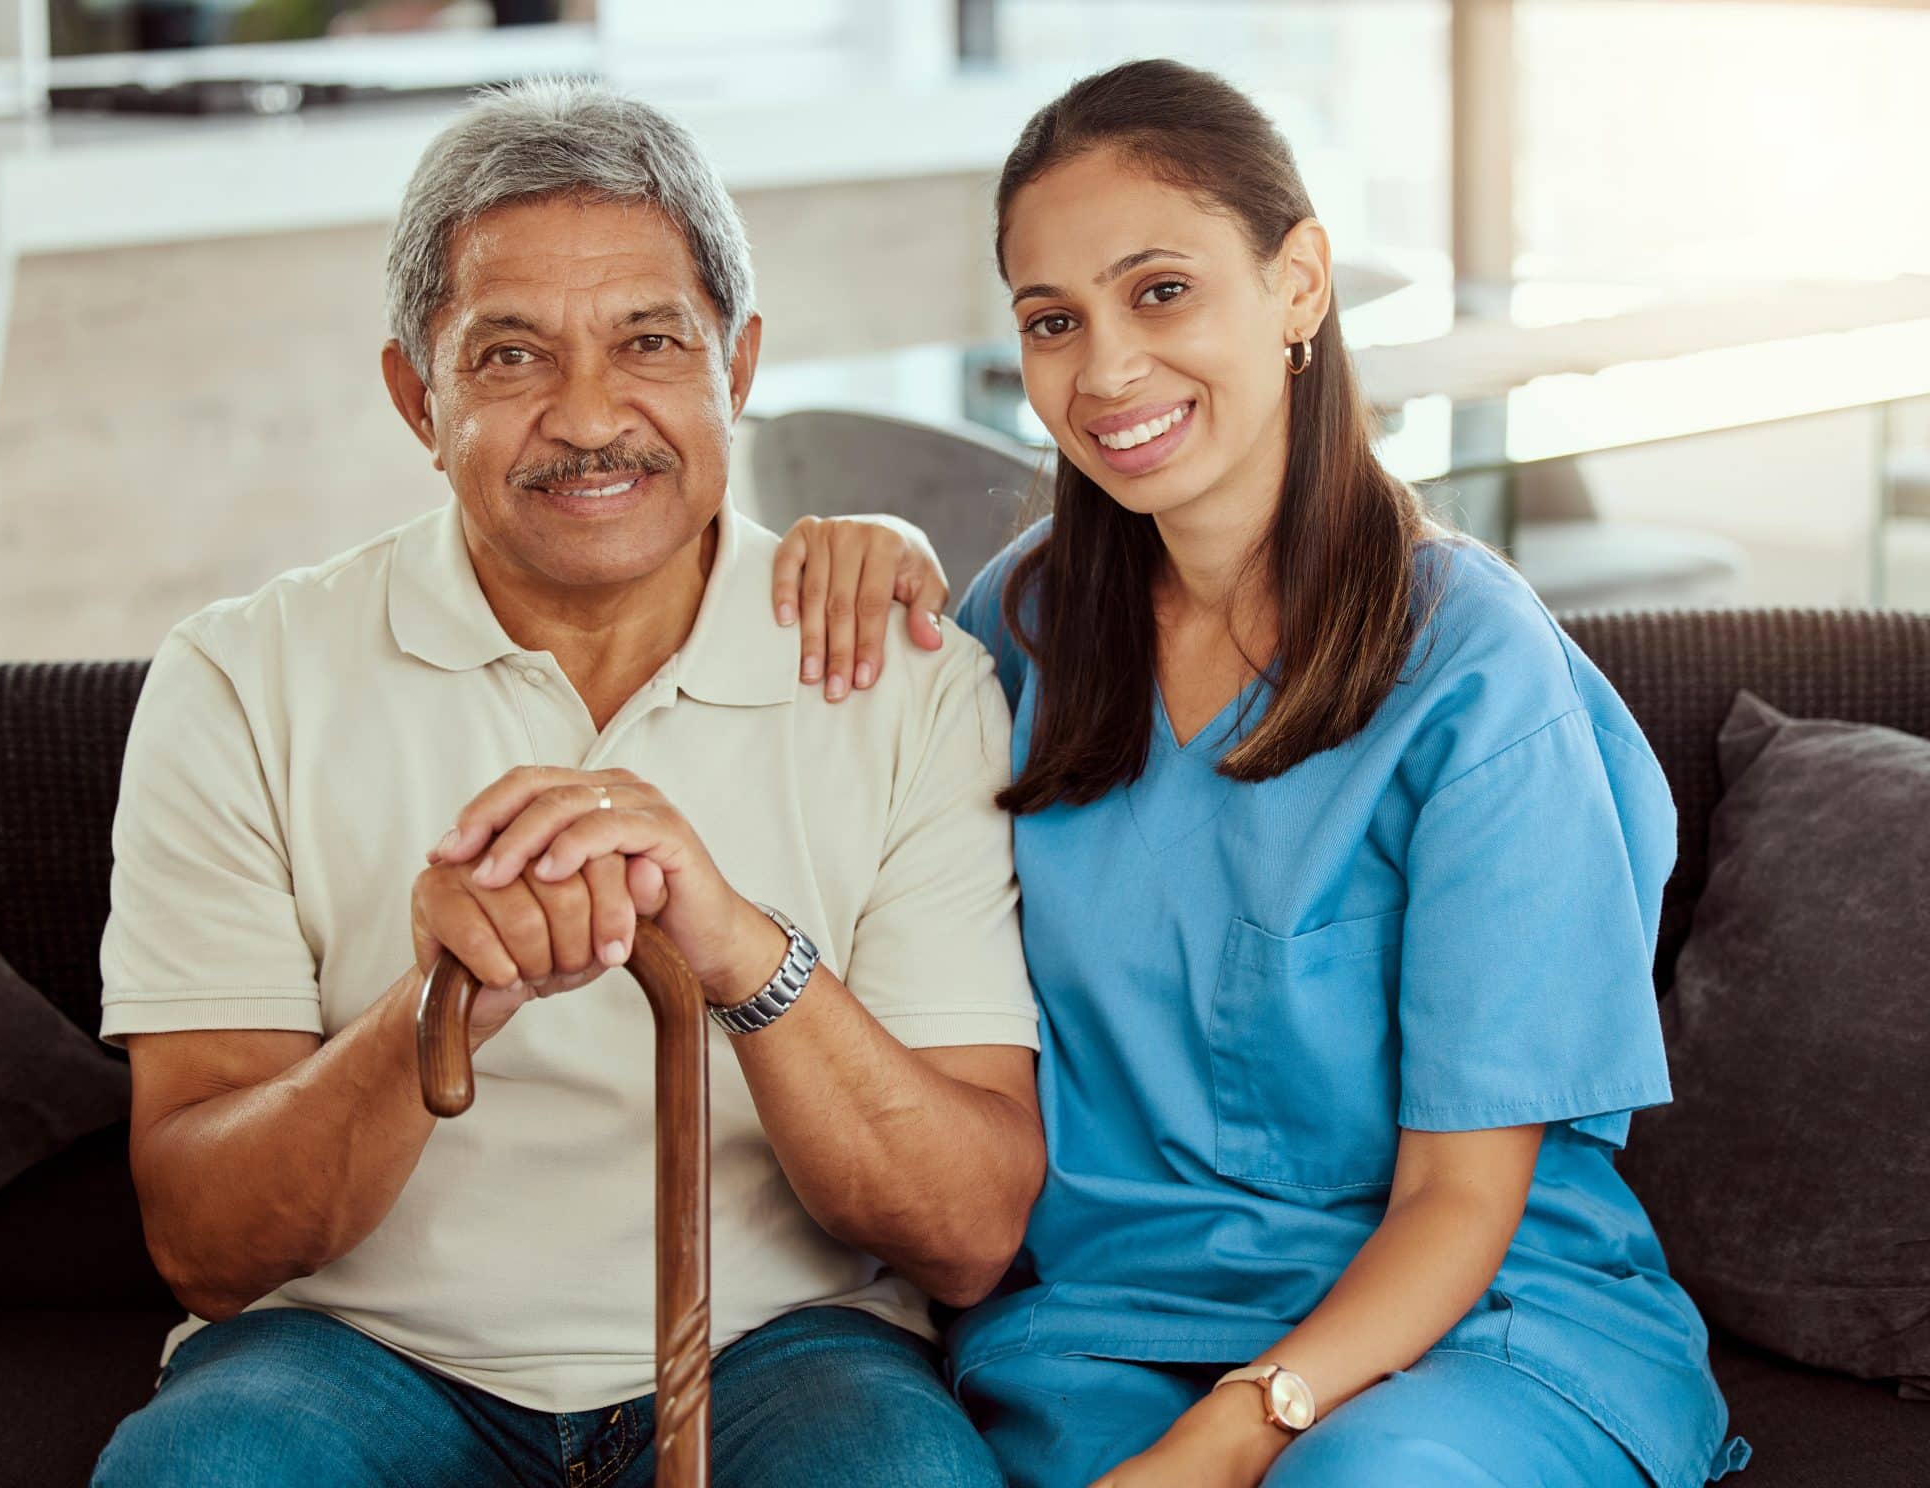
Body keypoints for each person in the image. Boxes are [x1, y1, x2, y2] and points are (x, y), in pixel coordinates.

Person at [774, 59, 1751, 1488]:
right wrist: (867, 555)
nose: (1105, 371)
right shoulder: (1014, 631)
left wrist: (1235, 1437)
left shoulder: (1477, 671)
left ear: (1299, 286)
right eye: (1055, 322)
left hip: (1468, 1328)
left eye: (1160, 290)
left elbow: (1460, 1196)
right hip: (1107, 1333)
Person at [90, 78, 1044, 1488]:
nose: (591, 416)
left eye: (650, 341)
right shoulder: (241, 678)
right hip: (351, 1355)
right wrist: (433, 1015)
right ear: (417, 397)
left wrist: (742, 952)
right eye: (511, 357)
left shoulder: (905, 676)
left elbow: (968, 1230)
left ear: (741, 364)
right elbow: (206, 1244)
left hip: (784, 1347)